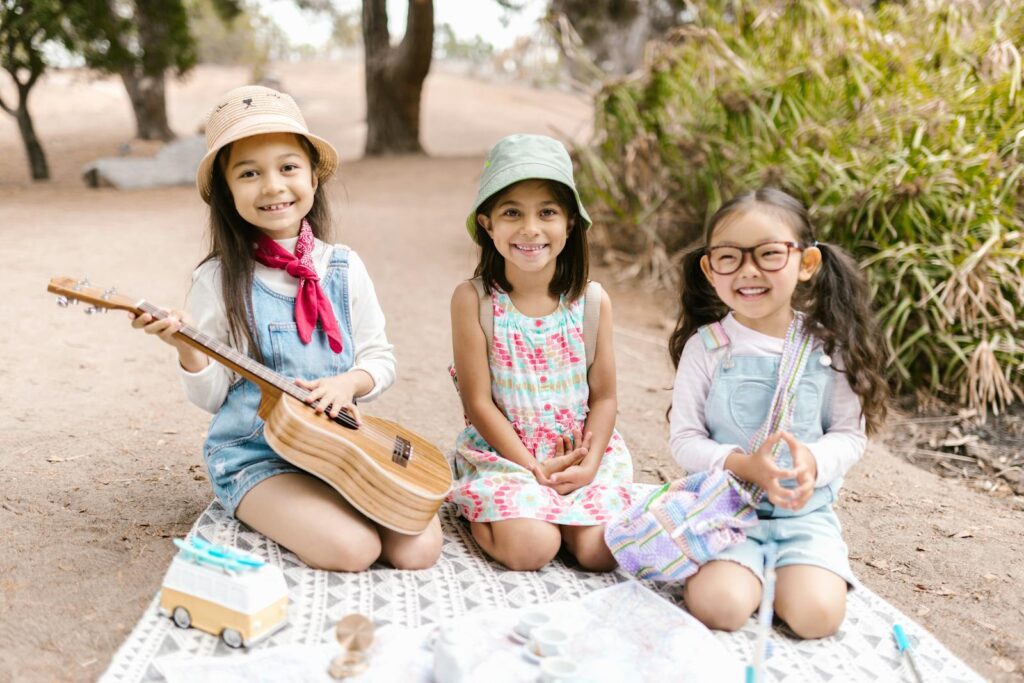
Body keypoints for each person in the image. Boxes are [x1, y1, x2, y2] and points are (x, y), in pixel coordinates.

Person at [129, 85, 442, 571]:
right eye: (249, 173)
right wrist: (186, 350)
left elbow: (379, 359)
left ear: (313, 178)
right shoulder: (217, 279)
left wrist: (347, 383)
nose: (272, 186)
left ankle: (328, 504)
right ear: (228, 193)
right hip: (257, 456)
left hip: (340, 448)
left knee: (418, 550)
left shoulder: (343, 267)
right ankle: (277, 505)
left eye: (287, 167)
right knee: (354, 549)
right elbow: (213, 397)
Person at [668, 187, 889, 638]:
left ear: (806, 263)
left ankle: (780, 575)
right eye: (729, 257)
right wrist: (743, 465)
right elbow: (685, 440)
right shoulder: (708, 347)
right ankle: (745, 575)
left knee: (818, 618)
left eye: (769, 254)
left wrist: (812, 461)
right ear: (710, 269)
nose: (748, 271)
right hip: (727, 511)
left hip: (805, 516)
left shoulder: (830, 347)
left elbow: (849, 435)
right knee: (719, 608)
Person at [449, 134, 644, 572]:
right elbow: (477, 402)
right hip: (509, 457)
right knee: (531, 549)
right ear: (487, 223)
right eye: (512, 213)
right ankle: (479, 512)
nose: (530, 229)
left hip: (578, 455)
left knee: (600, 553)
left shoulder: (591, 302)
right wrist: (533, 467)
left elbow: (605, 397)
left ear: (571, 223)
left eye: (548, 213)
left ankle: (558, 515)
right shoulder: (474, 301)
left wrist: (590, 463)